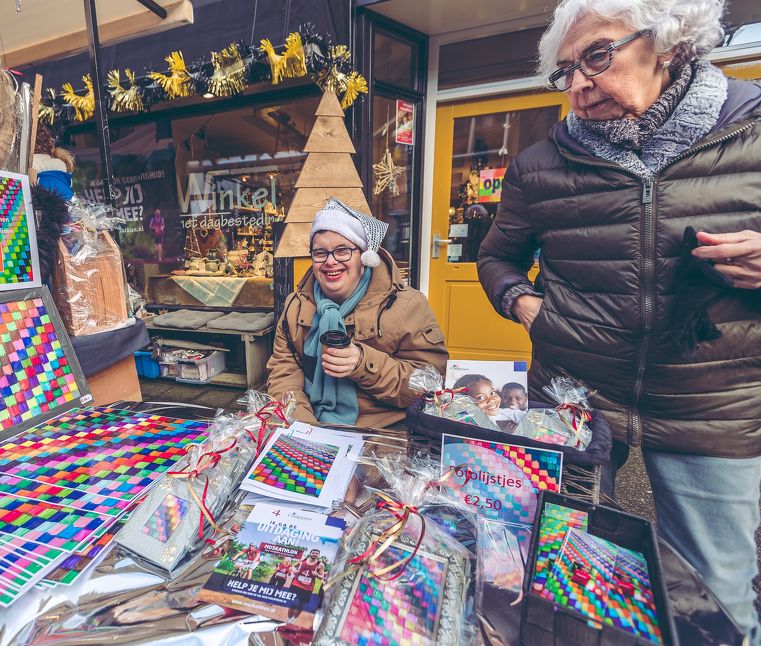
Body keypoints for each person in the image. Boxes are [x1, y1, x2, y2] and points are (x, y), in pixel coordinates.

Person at [477, 0, 761, 640]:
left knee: (715, 598)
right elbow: (496, 256)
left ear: (665, 42)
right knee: (558, 566)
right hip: (576, 396)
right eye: (566, 71)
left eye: (596, 56)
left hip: (713, 404)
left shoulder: (752, 127)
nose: (578, 84)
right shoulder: (539, 165)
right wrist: (529, 308)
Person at [267, 198, 448, 427]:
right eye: (320, 253)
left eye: (342, 251)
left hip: (382, 431)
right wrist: (303, 428)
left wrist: (363, 363)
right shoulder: (296, 306)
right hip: (309, 424)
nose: (330, 262)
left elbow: (429, 385)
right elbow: (284, 372)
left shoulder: (407, 306)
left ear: (363, 256)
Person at [452, 374, 524, 429]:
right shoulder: (464, 420)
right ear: (465, 403)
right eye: (480, 397)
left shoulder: (504, 413)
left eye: (492, 393)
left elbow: (523, 416)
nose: (491, 399)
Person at [287, 549, 326, 621]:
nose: (314, 554)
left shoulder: (320, 565)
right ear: (310, 553)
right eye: (313, 553)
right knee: (293, 602)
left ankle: (294, 618)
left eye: (316, 553)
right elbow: (293, 566)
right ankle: (289, 618)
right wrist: (294, 570)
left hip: (308, 588)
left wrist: (317, 574)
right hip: (296, 584)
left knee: (301, 605)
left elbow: (322, 577)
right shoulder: (303, 560)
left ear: (318, 555)